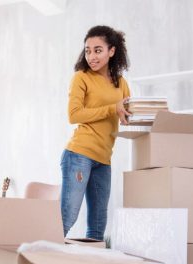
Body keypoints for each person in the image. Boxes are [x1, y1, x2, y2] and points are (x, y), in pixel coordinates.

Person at [61, 25, 131, 241]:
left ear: (112, 51)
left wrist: (151, 113)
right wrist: (113, 108)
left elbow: (126, 114)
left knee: (98, 226)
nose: (91, 56)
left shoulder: (121, 83)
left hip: (104, 160)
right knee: (67, 217)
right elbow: (74, 115)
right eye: (88, 50)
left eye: (98, 50)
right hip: (79, 155)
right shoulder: (81, 77)